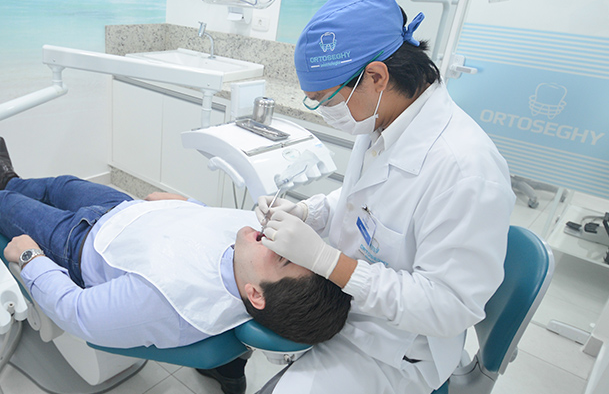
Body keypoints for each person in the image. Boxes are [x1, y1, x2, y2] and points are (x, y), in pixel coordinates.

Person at [252, 0, 516, 394]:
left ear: (376, 77)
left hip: (397, 349)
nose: (324, 111)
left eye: (327, 99)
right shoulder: (384, 118)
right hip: (348, 308)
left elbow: (449, 307)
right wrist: (309, 212)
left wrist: (327, 261)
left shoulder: (466, 171)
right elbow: (370, 206)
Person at [0, 138, 351, 353]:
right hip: (122, 209)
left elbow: (77, 312)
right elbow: (209, 226)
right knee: (58, 185)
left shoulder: (170, 302)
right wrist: (186, 203)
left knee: (7, 205)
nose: (281, 239)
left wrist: (31, 258)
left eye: (284, 258)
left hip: (79, 243)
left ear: (255, 294)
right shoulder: (253, 252)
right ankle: (9, 178)